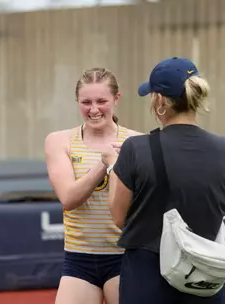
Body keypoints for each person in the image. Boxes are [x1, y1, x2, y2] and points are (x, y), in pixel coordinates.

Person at [102, 57, 225, 304]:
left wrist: (113, 166)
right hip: (206, 280)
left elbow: (119, 217)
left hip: (149, 279)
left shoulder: (136, 149)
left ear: (160, 101)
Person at [44, 67, 141, 304]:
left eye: (101, 101)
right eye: (86, 102)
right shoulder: (59, 141)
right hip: (79, 259)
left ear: (116, 99)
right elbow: (68, 198)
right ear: (77, 101)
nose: (94, 109)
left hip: (124, 256)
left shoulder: (137, 142)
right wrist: (104, 162)